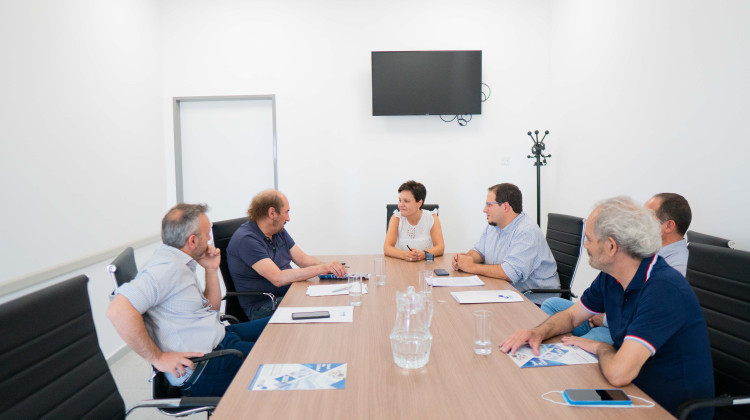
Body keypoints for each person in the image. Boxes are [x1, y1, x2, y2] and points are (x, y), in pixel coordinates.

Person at [500, 197, 713, 419]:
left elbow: (620, 373)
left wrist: (600, 346)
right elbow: (573, 316)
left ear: (611, 246)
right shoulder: (612, 277)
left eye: (589, 239)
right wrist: (537, 332)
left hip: (666, 408)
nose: (585, 246)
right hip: (632, 393)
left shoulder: (663, 289)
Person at [107, 203, 270, 397]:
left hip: (220, 338)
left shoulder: (179, 261)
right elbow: (117, 310)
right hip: (206, 365)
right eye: (207, 233)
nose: (210, 238)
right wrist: (157, 358)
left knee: (281, 327)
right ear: (192, 240)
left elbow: (211, 309)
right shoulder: (166, 268)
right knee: (282, 359)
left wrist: (211, 269)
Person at [541, 192, 693, 344]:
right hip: (606, 316)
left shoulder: (676, 269)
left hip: (625, 330)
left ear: (669, 226)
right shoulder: (640, 250)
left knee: (578, 346)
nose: (640, 221)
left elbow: (648, 318)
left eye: (647, 215)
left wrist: (605, 318)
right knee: (552, 305)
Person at [227, 189, 347, 320]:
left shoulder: (278, 231)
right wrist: (322, 268)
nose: (288, 218)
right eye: (286, 212)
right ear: (272, 212)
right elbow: (278, 278)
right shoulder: (247, 239)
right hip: (264, 306)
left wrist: (330, 267)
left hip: (288, 293)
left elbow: (302, 259)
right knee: (319, 306)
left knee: (331, 297)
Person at [451, 183, 560, 305]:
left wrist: (471, 267)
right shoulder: (493, 225)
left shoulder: (526, 232)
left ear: (506, 207)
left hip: (533, 300)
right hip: (506, 292)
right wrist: (466, 258)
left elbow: (510, 273)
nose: (484, 210)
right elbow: (479, 251)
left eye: (489, 205)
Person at [384, 180, 445, 262]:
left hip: (426, 267)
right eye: (400, 200)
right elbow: (387, 248)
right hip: (401, 266)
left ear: (419, 203)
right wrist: (405, 255)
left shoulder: (432, 218)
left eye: (406, 201)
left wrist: (423, 254)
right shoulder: (396, 218)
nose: (400, 205)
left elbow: (440, 248)